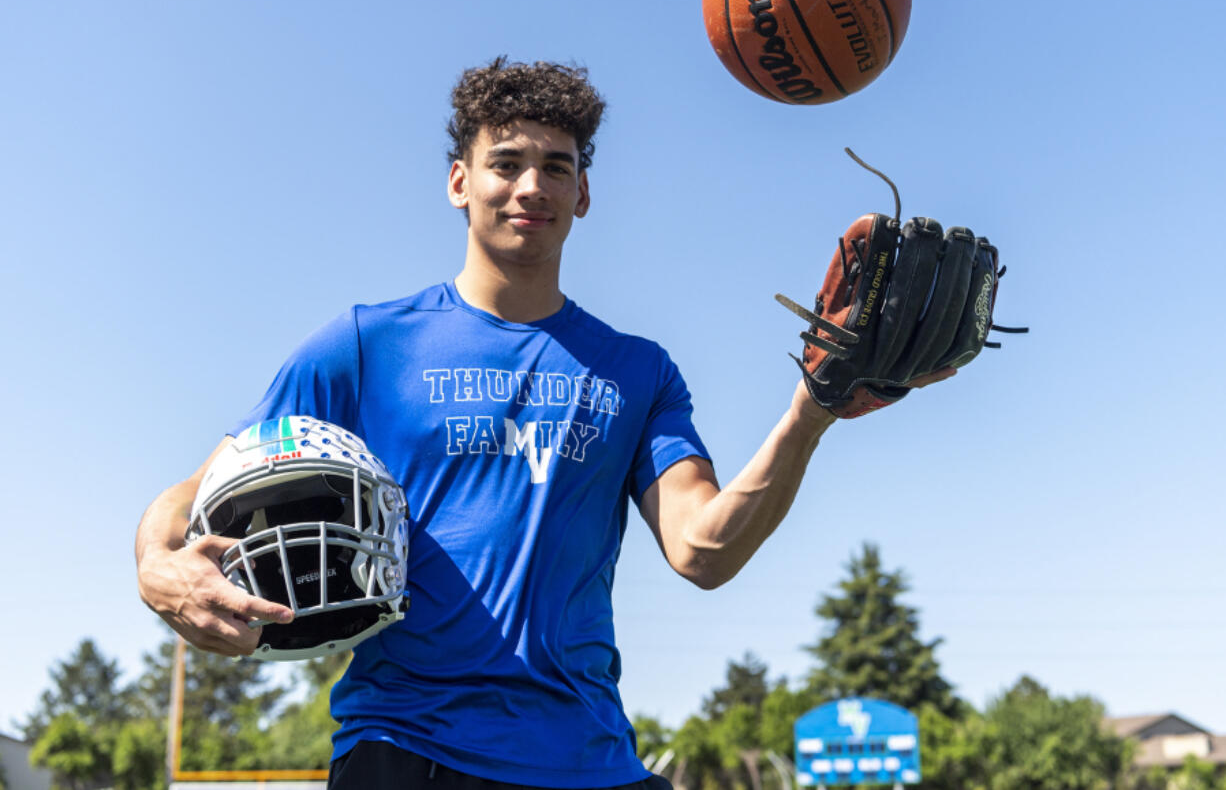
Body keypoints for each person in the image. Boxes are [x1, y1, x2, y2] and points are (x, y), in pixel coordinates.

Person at [135, 58, 951, 790]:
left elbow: (702, 549)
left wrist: (811, 412)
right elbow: (199, 487)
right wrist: (155, 562)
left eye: (556, 167)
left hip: (589, 758)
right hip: (408, 747)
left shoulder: (638, 370)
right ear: (460, 182)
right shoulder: (366, 343)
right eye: (507, 163)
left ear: (583, 195)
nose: (532, 185)